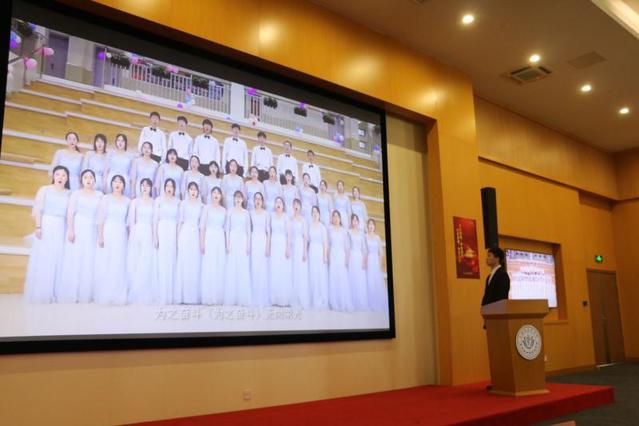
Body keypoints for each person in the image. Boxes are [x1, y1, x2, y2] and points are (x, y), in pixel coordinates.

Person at [24, 165, 70, 303]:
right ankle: (41, 291)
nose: (60, 177)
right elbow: (38, 209)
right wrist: (38, 226)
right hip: (47, 224)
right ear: (53, 176)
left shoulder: (69, 193)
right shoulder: (44, 190)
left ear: (67, 178)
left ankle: (55, 292)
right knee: (44, 256)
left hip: (61, 226)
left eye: (63, 175)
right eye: (58, 174)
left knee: (58, 257)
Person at [57, 169, 103, 303]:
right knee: (75, 258)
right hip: (79, 226)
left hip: (92, 229)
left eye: (91, 177)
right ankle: (71, 292)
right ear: (81, 180)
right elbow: (70, 213)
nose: (88, 180)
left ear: (95, 180)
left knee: (89, 259)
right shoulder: (76, 194)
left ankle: (86, 292)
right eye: (85, 177)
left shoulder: (100, 195)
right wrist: (71, 230)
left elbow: (101, 215)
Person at [94, 175, 131, 305]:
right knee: (106, 260)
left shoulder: (127, 201)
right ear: (111, 184)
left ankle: (117, 293)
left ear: (124, 185)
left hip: (121, 232)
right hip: (108, 230)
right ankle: (105, 292)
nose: (117, 184)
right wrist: (100, 236)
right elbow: (100, 218)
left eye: (120, 182)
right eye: (115, 181)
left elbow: (128, 222)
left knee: (119, 261)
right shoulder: (106, 198)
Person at [127, 178, 157, 304]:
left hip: (149, 232)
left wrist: (155, 236)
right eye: (143, 185)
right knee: (136, 260)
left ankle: (145, 289)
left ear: (151, 188)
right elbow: (131, 220)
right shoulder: (135, 202)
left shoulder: (154, 202)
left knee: (147, 260)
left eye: (147, 185)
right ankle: (135, 290)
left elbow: (155, 221)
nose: (145, 187)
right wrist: (132, 234)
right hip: (137, 231)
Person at [175, 182, 203, 304]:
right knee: (184, 262)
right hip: (185, 233)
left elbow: (202, 225)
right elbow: (180, 221)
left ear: (198, 192)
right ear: (188, 191)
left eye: (195, 189)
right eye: (191, 189)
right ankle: (182, 295)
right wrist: (177, 237)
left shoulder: (201, 206)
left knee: (194, 263)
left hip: (195, 234)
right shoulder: (183, 204)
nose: (193, 191)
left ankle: (192, 296)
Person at [154, 178, 180, 304]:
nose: (169, 188)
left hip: (173, 231)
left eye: (171, 186)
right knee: (162, 259)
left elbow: (179, 221)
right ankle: (161, 293)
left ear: (174, 188)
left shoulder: (178, 202)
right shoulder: (159, 200)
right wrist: (155, 236)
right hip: (162, 229)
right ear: (164, 187)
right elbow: (155, 219)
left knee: (172, 259)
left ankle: (171, 293)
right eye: (167, 186)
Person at [200, 186, 227, 305]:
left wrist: (226, 243)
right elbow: (202, 227)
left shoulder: (224, 210)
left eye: (218, 193)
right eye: (214, 193)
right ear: (211, 195)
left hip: (220, 238)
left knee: (219, 264)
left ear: (221, 196)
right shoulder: (207, 208)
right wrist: (202, 242)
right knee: (209, 265)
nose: (216, 195)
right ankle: (208, 296)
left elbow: (225, 229)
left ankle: (218, 296)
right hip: (209, 237)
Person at [224, 190, 252, 306]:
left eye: (240, 197)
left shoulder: (246, 213)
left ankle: (242, 296)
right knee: (232, 266)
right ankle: (232, 296)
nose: (238, 199)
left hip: (243, 240)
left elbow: (248, 230)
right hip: (233, 239)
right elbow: (227, 229)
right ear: (234, 199)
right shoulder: (230, 211)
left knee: (242, 266)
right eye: (236, 197)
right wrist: (227, 243)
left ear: (243, 199)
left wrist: (248, 245)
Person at [269, 197, 292, 306]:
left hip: (282, 244)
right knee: (273, 268)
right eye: (276, 202)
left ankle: (282, 297)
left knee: (282, 269)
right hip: (273, 243)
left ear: (283, 205)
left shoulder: (286, 217)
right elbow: (269, 231)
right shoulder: (271, 215)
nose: (278, 204)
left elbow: (289, 234)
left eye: (280, 202)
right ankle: (273, 297)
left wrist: (288, 247)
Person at [328, 210, 352, 312]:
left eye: (337, 216)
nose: (336, 218)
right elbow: (328, 245)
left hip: (341, 255)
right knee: (333, 277)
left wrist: (347, 260)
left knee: (342, 277)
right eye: (334, 216)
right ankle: (334, 302)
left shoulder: (344, 231)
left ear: (340, 218)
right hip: (333, 254)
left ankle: (343, 302)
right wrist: (328, 257)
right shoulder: (329, 229)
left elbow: (347, 247)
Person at [250, 192, 270, 307]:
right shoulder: (250, 213)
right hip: (254, 239)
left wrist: (267, 245)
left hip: (262, 239)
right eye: (256, 199)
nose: (258, 201)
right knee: (254, 266)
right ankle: (253, 293)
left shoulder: (266, 214)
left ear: (262, 201)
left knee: (262, 267)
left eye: (259, 199)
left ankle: (262, 294)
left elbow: (268, 231)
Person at [290, 199, 311, 308]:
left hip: (299, 245)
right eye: (294, 204)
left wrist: (304, 251)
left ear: (300, 207)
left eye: (298, 204)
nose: (296, 206)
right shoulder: (290, 218)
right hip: (292, 245)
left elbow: (305, 237)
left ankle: (300, 296)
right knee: (293, 269)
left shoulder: (303, 220)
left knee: (300, 270)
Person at [308, 206, 329, 309]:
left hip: (320, 251)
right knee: (313, 273)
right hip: (311, 251)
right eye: (313, 212)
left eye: (316, 212)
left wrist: (325, 256)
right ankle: (313, 297)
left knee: (320, 274)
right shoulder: (310, 226)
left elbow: (325, 243)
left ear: (319, 214)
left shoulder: (322, 227)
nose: (315, 214)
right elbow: (308, 241)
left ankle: (321, 298)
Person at [365, 218, 387, 311]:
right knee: (369, 280)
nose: (371, 226)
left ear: (374, 226)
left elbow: (381, 252)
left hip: (375, 261)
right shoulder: (365, 236)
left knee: (376, 280)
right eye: (369, 224)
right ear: (367, 226)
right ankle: (370, 302)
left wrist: (379, 263)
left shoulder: (377, 237)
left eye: (372, 224)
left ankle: (377, 301)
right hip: (368, 260)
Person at [348, 214, 368, 310]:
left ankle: (360, 301)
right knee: (352, 276)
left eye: (356, 220)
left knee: (360, 278)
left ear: (358, 222)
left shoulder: (362, 234)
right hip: (352, 256)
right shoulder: (348, 232)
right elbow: (347, 246)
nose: (355, 222)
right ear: (351, 222)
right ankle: (352, 299)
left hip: (359, 256)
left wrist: (364, 261)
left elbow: (364, 249)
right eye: (353, 220)